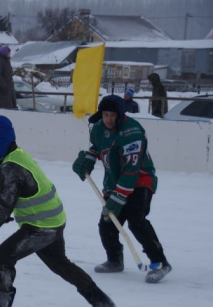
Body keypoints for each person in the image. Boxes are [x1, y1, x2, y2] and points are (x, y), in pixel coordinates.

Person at [0, 115, 116, 307]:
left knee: (1, 259)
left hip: (41, 227)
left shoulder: (10, 168)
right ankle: (101, 301)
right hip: (53, 220)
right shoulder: (18, 155)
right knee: (61, 265)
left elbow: (1, 209)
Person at [72, 95, 171, 283]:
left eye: (112, 115)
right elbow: (98, 146)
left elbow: (131, 170)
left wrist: (118, 198)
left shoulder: (132, 132)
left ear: (121, 115)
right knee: (107, 221)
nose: (108, 119)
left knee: (136, 221)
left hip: (141, 180)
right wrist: (89, 158)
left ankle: (160, 262)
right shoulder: (99, 127)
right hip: (114, 179)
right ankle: (114, 260)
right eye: (105, 115)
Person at [0, 45, 16, 109]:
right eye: (8, 52)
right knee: (1, 108)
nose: (10, 54)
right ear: (4, 53)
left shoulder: (7, 61)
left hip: (7, 91)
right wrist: (4, 86)